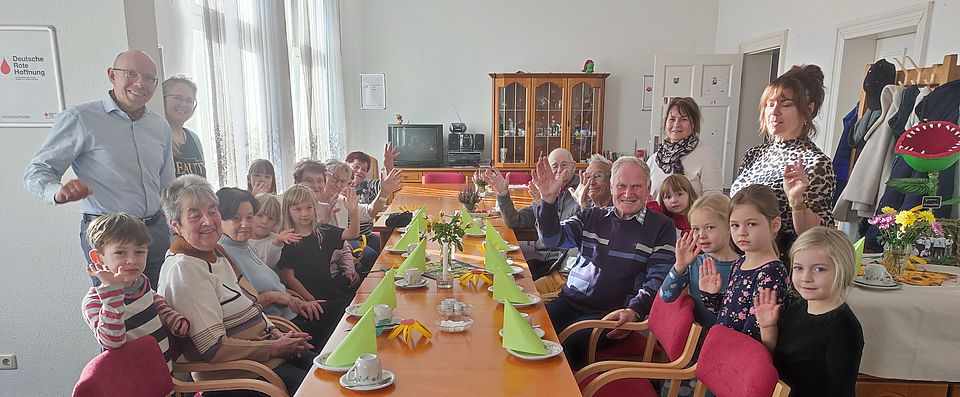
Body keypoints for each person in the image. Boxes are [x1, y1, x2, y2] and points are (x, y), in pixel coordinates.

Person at [24, 50, 173, 288]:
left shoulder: (159, 125)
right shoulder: (81, 119)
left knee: (161, 301)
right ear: (112, 75)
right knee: (116, 305)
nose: (140, 83)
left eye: (149, 78)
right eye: (131, 74)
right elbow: (38, 170)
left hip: (155, 232)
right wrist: (57, 192)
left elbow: (167, 185)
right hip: (111, 238)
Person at [157, 175, 315, 395]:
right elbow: (213, 348)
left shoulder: (216, 251)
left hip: (262, 356)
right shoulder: (184, 269)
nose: (208, 221)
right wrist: (273, 347)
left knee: (329, 368)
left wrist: (275, 332)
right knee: (320, 388)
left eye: (212, 211)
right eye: (195, 215)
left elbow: (250, 304)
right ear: (175, 224)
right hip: (236, 374)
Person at [531, 155, 676, 369]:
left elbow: (658, 278)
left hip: (610, 315)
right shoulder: (591, 217)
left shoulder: (661, 227)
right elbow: (553, 239)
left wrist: (634, 311)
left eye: (636, 186)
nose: (628, 193)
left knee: (561, 348)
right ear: (612, 187)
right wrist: (549, 201)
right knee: (529, 330)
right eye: (622, 186)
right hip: (569, 302)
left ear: (648, 188)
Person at [730, 65, 836, 259]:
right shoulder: (754, 154)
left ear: (808, 110)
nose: (774, 111)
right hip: (740, 259)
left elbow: (818, 236)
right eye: (770, 104)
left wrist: (796, 201)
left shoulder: (816, 162)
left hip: (781, 262)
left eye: (786, 105)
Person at [216, 187, 339, 349]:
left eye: (249, 217)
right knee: (340, 331)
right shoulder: (223, 255)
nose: (245, 224)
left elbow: (274, 283)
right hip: (279, 326)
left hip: (292, 310)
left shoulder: (244, 245)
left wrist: (296, 300)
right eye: (236, 218)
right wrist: (276, 297)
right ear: (219, 219)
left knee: (345, 310)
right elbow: (240, 307)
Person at [755, 227, 864, 397]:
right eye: (799, 268)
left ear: (843, 271)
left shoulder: (843, 328)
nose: (806, 277)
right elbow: (777, 360)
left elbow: (841, 391)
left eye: (819, 269)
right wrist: (768, 327)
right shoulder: (796, 308)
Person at [81, 213, 190, 371]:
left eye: (139, 252)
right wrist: (113, 295)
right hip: (131, 379)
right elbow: (111, 341)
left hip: (163, 371)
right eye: (120, 253)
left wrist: (172, 318)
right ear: (98, 257)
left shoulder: (141, 282)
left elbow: (154, 299)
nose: (132, 260)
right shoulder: (94, 301)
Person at [699, 184, 788, 340]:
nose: (742, 232)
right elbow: (728, 312)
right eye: (735, 225)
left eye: (751, 224)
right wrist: (710, 295)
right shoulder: (739, 263)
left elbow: (757, 330)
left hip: (742, 351)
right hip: (725, 345)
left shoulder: (772, 272)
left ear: (775, 225)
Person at [478, 148, 581, 280]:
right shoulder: (544, 191)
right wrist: (503, 193)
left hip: (561, 266)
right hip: (540, 261)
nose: (559, 169)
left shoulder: (581, 194)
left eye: (564, 165)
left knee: (513, 281)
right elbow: (514, 221)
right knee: (497, 273)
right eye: (554, 166)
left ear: (573, 167)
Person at [535, 153, 612, 300]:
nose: (591, 182)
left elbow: (598, 253)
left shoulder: (616, 213)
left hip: (579, 286)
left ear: (612, 181)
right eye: (587, 177)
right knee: (518, 293)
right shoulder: (583, 207)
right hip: (560, 274)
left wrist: (583, 206)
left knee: (529, 306)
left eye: (598, 176)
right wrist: (547, 201)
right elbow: (553, 238)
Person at [659, 194, 740, 327]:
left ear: (729, 226)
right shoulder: (694, 263)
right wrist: (679, 266)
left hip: (727, 337)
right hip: (696, 337)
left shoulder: (744, 267)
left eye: (710, 227)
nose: (702, 235)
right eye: (696, 229)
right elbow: (666, 296)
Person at [315, 159, 400, 274]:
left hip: (341, 255)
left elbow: (369, 212)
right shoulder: (309, 204)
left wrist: (384, 193)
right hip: (323, 263)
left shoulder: (342, 201)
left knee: (388, 248)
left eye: (343, 181)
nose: (338, 184)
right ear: (323, 175)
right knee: (370, 257)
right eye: (335, 178)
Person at [279, 184, 359, 306]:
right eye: (298, 209)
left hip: (329, 293)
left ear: (315, 208)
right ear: (288, 211)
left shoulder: (323, 231)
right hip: (308, 302)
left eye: (309, 207)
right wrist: (311, 300)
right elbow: (289, 278)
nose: (304, 214)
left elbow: (352, 233)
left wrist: (353, 212)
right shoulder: (288, 239)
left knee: (358, 303)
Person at [647, 97, 722, 199]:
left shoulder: (706, 155)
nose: (676, 124)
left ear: (693, 124)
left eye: (683, 119)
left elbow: (714, 199)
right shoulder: (654, 160)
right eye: (672, 119)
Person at [162, 75, 206, 178]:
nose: (183, 104)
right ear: (162, 99)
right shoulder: (157, 136)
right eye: (177, 98)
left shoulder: (194, 138)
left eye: (189, 100)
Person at [248, 193, 300, 274]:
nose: (264, 222)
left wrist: (277, 243)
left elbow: (269, 264)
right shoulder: (241, 239)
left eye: (270, 218)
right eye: (259, 215)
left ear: (276, 222)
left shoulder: (276, 240)